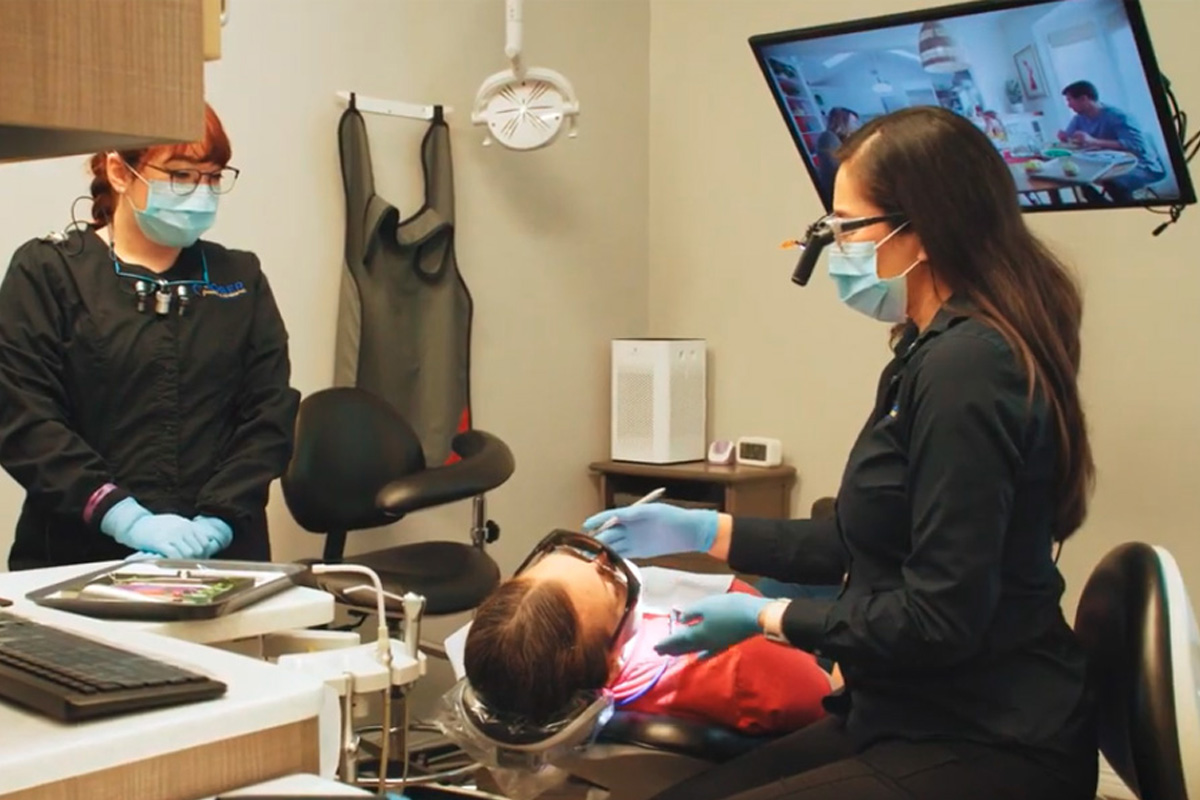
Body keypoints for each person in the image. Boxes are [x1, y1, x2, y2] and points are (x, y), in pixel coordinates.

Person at [584, 105, 1098, 800]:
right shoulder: (925, 351)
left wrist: (768, 618)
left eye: (847, 226)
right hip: (907, 713)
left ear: (923, 228)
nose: (836, 245)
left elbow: (939, 617)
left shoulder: (968, 369)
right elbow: (865, 541)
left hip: (990, 740)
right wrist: (704, 530)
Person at [0, 103, 300, 570]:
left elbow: (269, 414)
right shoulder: (49, 271)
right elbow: (23, 417)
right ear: (120, 171)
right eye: (181, 176)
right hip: (78, 553)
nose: (201, 193)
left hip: (219, 557)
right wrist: (121, 515)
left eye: (213, 178)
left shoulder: (239, 277)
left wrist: (219, 518)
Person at [463, 530, 836, 735]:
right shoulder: (735, 659)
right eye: (614, 585)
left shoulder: (515, 665)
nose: (605, 560)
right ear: (610, 665)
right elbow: (832, 698)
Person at [1056, 79, 1165, 203]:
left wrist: (1093, 141)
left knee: (1112, 183)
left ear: (1083, 99)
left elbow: (1136, 147)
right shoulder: (1079, 118)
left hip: (1141, 166)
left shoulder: (1119, 116)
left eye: (1070, 100)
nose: (1068, 105)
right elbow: (1072, 139)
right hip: (1108, 163)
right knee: (1076, 176)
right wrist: (1066, 138)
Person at [815, 107, 860, 201]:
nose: (857, 126)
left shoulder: (841, 140)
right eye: (854, 122)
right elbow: (838, 170)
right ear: (843, 122)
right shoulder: (828, 138)